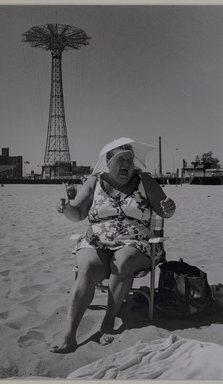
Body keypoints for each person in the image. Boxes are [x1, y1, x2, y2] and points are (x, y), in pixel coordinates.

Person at [50, 138, 176, 353]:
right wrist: (66, 208)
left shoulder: (145, 181)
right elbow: (78, 213)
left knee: (122, 261)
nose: (127, 164)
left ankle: (108, 322)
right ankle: (69, 334)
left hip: (137, 244)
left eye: (130, 159)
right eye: (121, 160)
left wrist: (169, 208)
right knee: (88, 267)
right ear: (108, 163)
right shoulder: (93, 181)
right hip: (97, 242)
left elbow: (166, 211)